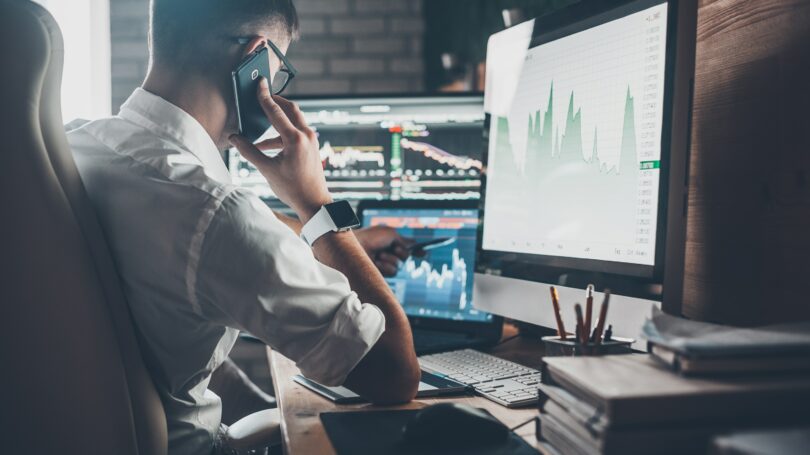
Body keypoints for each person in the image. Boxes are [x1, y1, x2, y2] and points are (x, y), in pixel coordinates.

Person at [66, 0, 420, 453]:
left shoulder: (75, 144)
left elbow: (196, 229)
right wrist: (317, 205)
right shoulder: (216, 214)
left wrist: (343, 240)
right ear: (253, 58)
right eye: (278, 69)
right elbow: (396, 373)